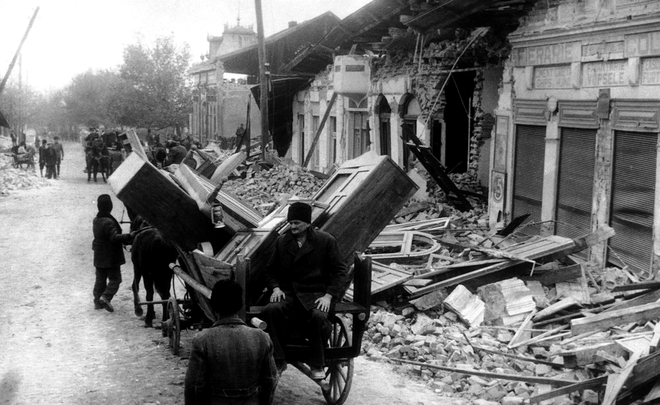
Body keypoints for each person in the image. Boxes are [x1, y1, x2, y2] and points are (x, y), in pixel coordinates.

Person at [260, 202, 348, 380]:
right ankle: (278, 359)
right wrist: (275, 288)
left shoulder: (325, 241)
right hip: (289, 293)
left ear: (308, 223)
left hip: (316, 295)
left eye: (297, 223)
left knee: (319, 317)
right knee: (271, 310)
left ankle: (317, 364)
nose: (292, 227)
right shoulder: (282, 242)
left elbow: (340, 271)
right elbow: (270, 270)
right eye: (290, 222)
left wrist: (329, 296)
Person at [185, 279, 278, 405]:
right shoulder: (262, 338)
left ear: (214, 305)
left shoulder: (202, 340)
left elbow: (194, 386)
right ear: (240, 305)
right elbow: (270, 382)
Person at [92, 194, 134, 312]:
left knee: (100, 279)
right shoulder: (109, 222)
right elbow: (114, 237)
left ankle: (97, 301)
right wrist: (129, 236)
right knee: (115, 279)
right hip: (110, 256)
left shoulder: (96, 220)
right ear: (110, 206)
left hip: (99, 255)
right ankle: (106, 297)